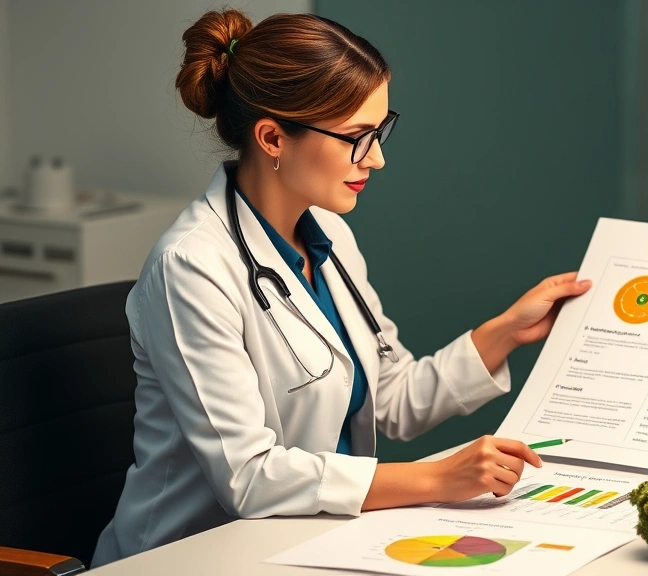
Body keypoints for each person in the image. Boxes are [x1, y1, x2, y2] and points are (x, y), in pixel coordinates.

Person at [91, 9, 591, 567]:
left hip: (315, 539)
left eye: (380, 131)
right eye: (357, 137)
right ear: (273, 137)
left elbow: (393, 398)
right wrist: (435, 478)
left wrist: (504, 332)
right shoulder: (191, 266)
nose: (376, 158)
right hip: (191, 557)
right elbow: (250, 478)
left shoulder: (328, 232)